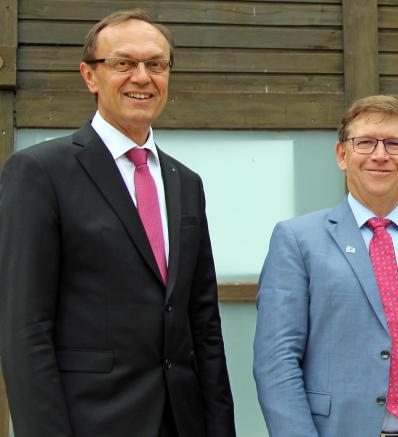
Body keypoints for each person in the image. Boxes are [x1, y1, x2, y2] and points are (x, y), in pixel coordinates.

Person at [0, 9, 235, 437]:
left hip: (181, 422)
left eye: (156, 65)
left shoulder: (185, 182)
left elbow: (203, 323)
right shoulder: (40, 172)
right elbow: (24, 329)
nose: (142, 77)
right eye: (124, 63)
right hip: (90, 422)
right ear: (90, 76)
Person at [253, 95, 398, 437]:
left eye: (393, 143)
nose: (380, 155)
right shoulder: (298, 241)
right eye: (364, 143)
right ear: (341, 155)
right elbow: (277, 362)